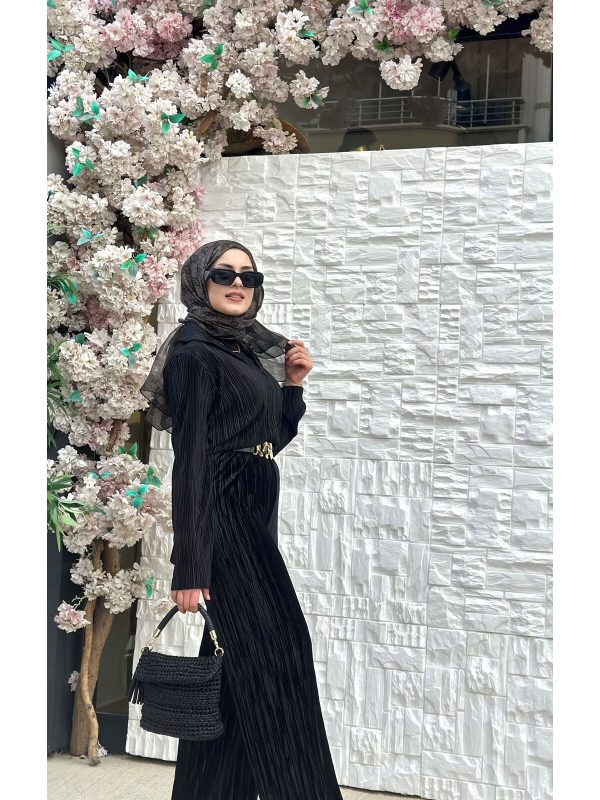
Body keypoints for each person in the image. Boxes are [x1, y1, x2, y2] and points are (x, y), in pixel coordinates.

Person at [140, 240, 344, 800]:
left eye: (248, 276)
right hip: (223, 516)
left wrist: (292, 387)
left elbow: (268, 439)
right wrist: (190, 565)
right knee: (282, 658)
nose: (238, 284)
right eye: (224, 274)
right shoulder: (193, 353)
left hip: (253, 512)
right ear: (198, 281)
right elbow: (191, 461)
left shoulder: (244, 349)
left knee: (237, 668)